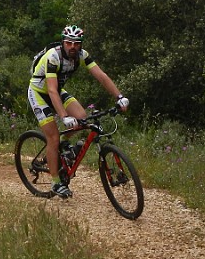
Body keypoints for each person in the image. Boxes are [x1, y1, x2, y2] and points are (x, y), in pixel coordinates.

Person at [27, 25, 129, 198]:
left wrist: (119, 96)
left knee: (82, 118)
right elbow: (51, 90)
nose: (72, 47)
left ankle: (62, 144)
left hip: (57, 92)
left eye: (76, 43)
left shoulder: (82, 56)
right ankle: (56, 182)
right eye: (69, 43)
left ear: (81, 45)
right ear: (63, 43)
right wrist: (64, 116)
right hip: (39, 93)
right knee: (52, 136)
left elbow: (101, 76)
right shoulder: (53, 57)